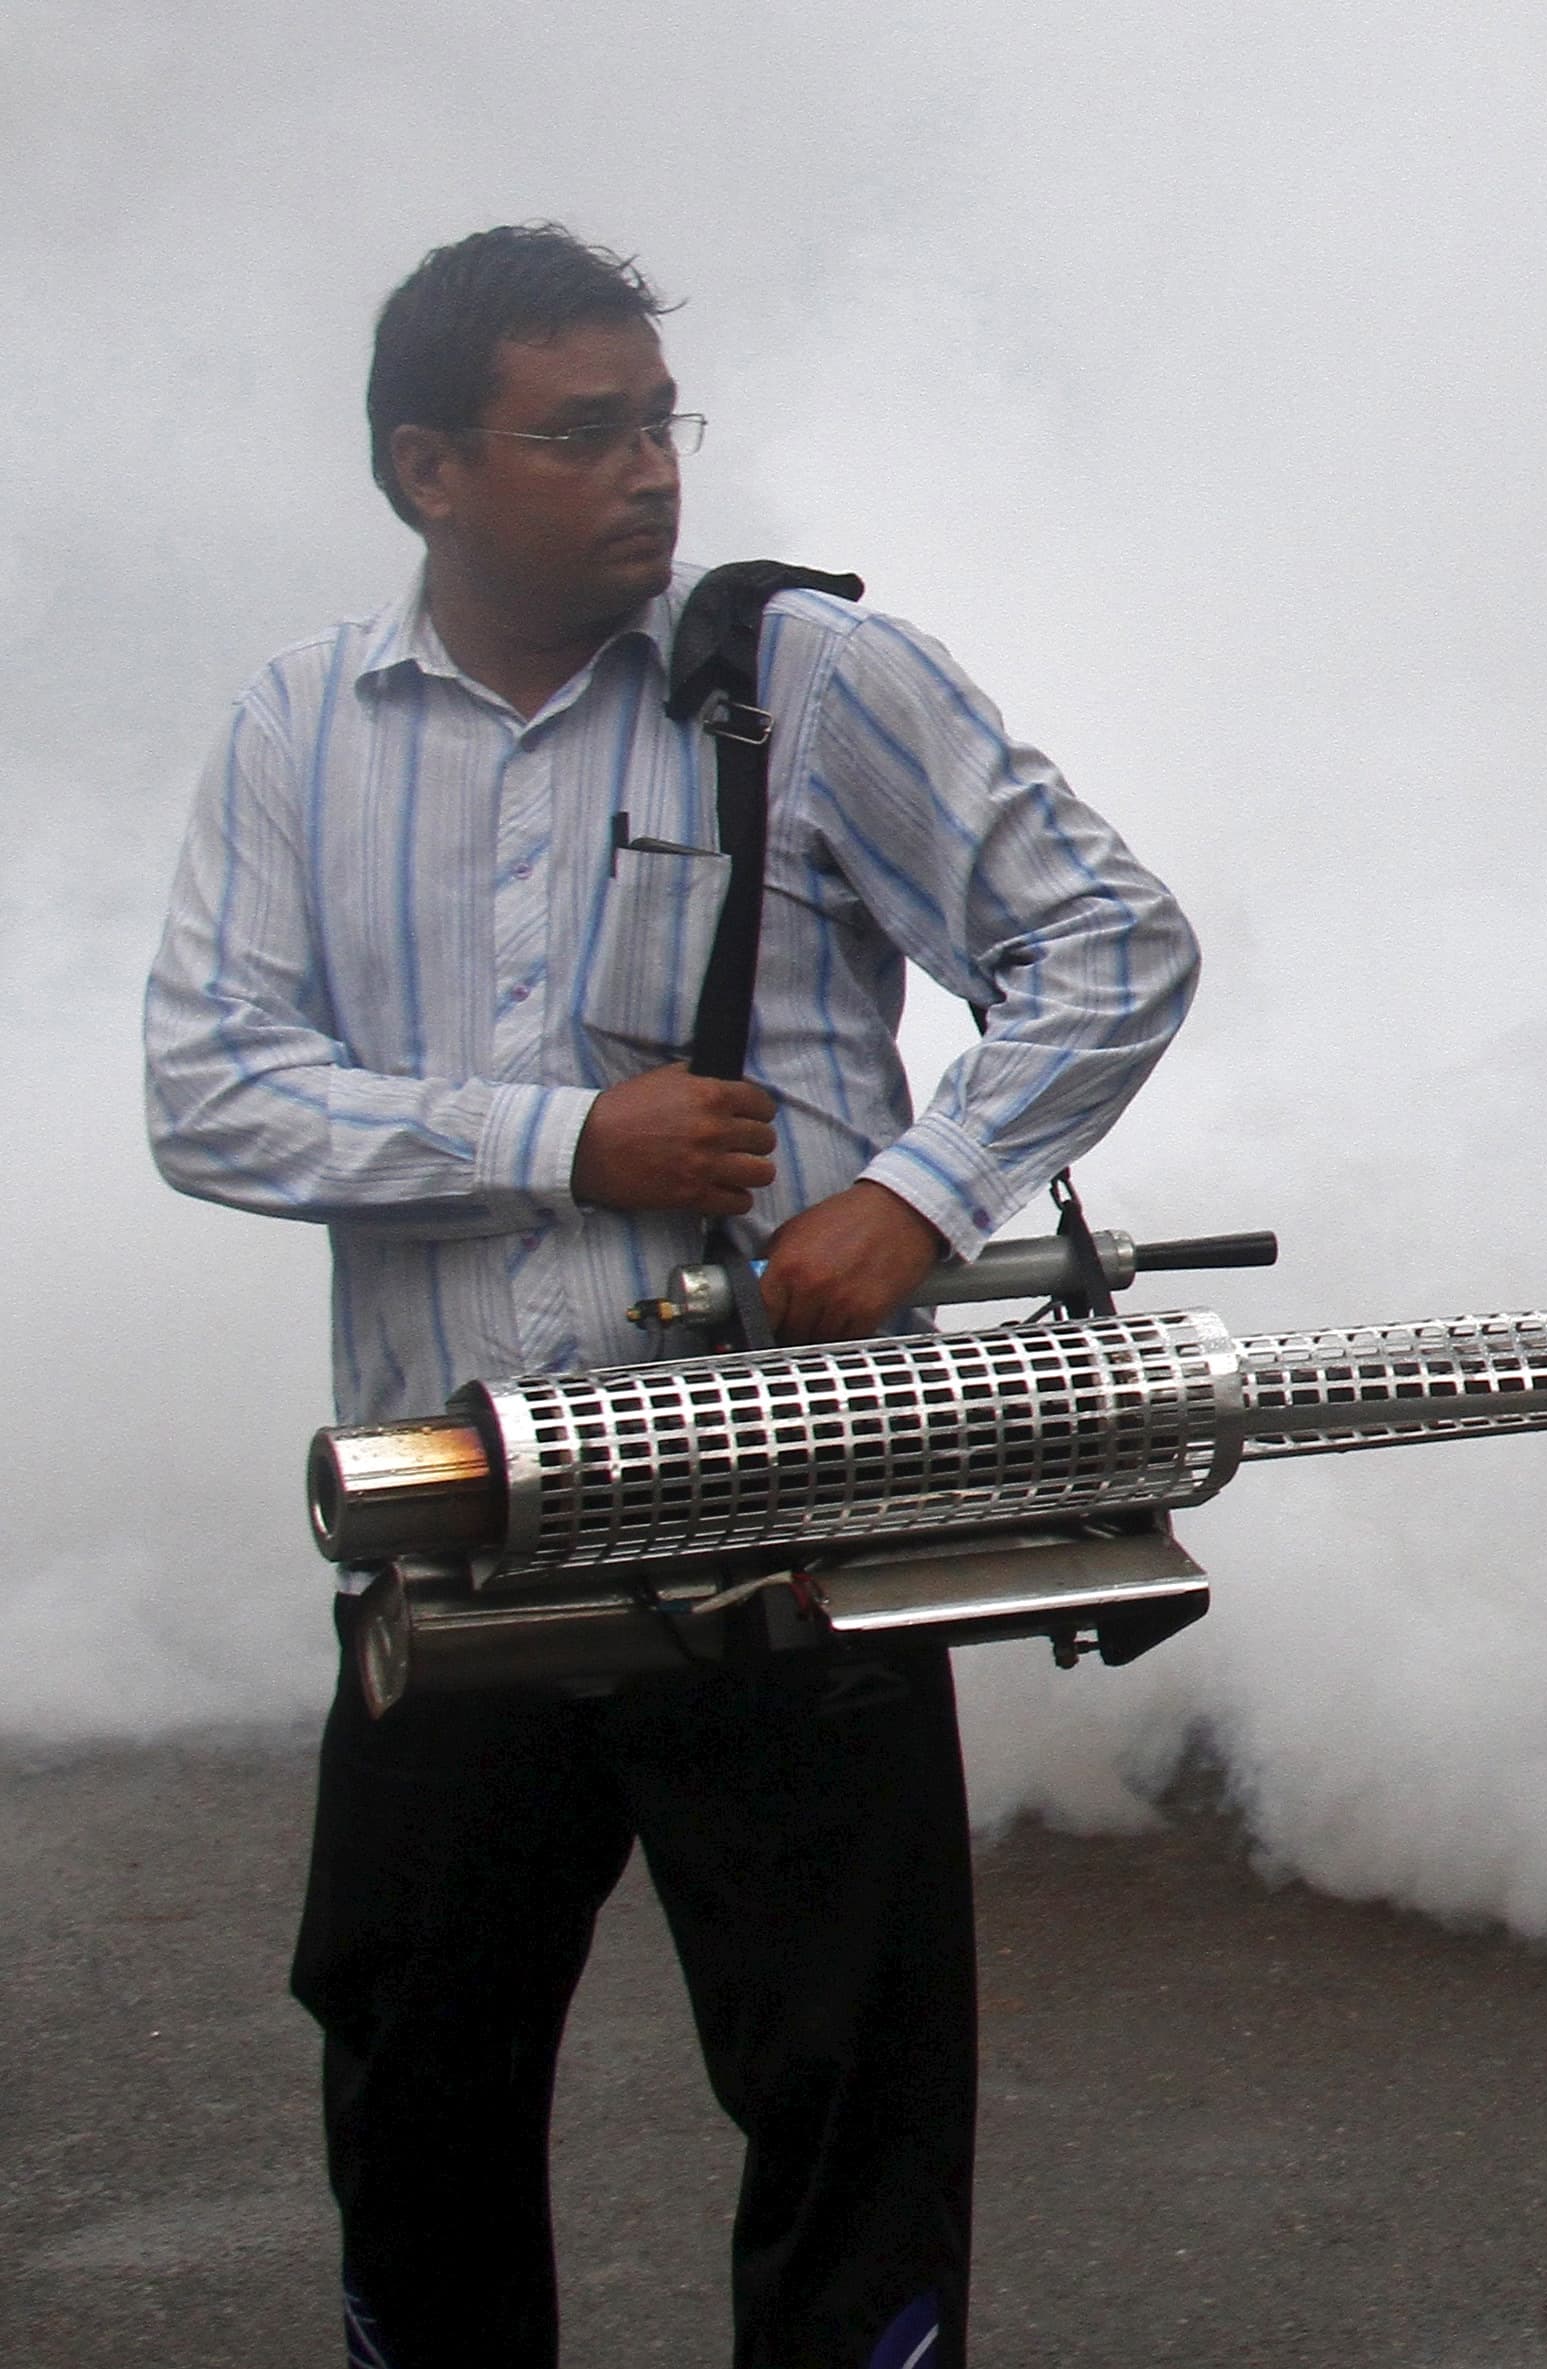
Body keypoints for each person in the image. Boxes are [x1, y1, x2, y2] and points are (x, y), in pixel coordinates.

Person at [144, 223, 1198, 2369]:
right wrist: (562, 1141)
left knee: (843, 2098)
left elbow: (1107, 943)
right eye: (579, 433)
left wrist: (917, 1193)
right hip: (459, 1526)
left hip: (788, 1520)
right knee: (410, 2072)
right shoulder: (298, 729)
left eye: (659, 423)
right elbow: (211, 1097)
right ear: (427, 467)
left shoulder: (812, 685)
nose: (647, 476)